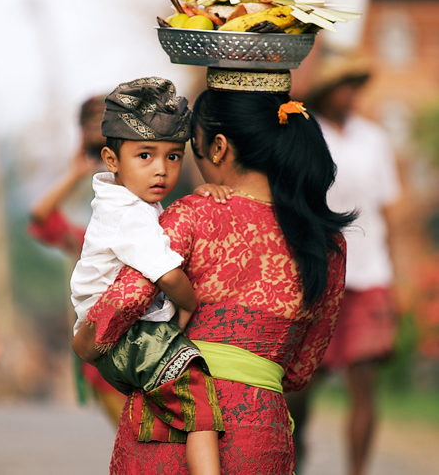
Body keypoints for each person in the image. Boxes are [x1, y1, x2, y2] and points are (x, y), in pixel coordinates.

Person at [73, 69, 355, 474]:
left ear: (218, 147)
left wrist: (85, 345)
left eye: (186, 151)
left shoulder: (192, 215)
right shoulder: (327, 244)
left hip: (170, 430)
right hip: (262, 434)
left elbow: (124, 303)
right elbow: (299, 371)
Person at [71, 78, 226, 475]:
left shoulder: (127, 199)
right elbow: (170, 277)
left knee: (165, 413)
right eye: (145, 155)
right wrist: (191, 304)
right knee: (198, 396)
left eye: (173, 157)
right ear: (111, 159)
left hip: (122, 331)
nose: (161, 170)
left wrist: (202, 193)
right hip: (125, 335)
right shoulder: (129, 214)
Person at [287, 55, 400, 475]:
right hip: (318, 271)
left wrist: (396, 280)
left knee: (365, 380)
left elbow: (388, 210)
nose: (350, 93)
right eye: (343, 84)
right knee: (302, 381)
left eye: (356, 84)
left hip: (371, 273)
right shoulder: (304, 132)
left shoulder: (374, 138)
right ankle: (294, 454)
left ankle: (358, 469)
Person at [28, 94, 128, 424]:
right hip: (101, 342)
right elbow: (40, 218)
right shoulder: (84, 209)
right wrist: (75, 173)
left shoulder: (138, 192)